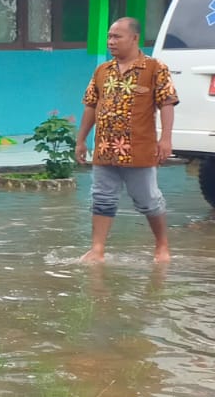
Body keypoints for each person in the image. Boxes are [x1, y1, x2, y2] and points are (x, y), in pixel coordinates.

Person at [76, 17, 178, 264]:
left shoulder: (155, 68)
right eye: (109, 37)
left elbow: (166, 103)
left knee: (148, 200)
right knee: (101, 197)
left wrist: (165, 139)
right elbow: (91, 105)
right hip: (104, 147)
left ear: (134, 38)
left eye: (117, 37)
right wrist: (81, 140)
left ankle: (162, 246)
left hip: (139, 149)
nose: (111, 42)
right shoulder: (102, 71)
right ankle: (97, 249)